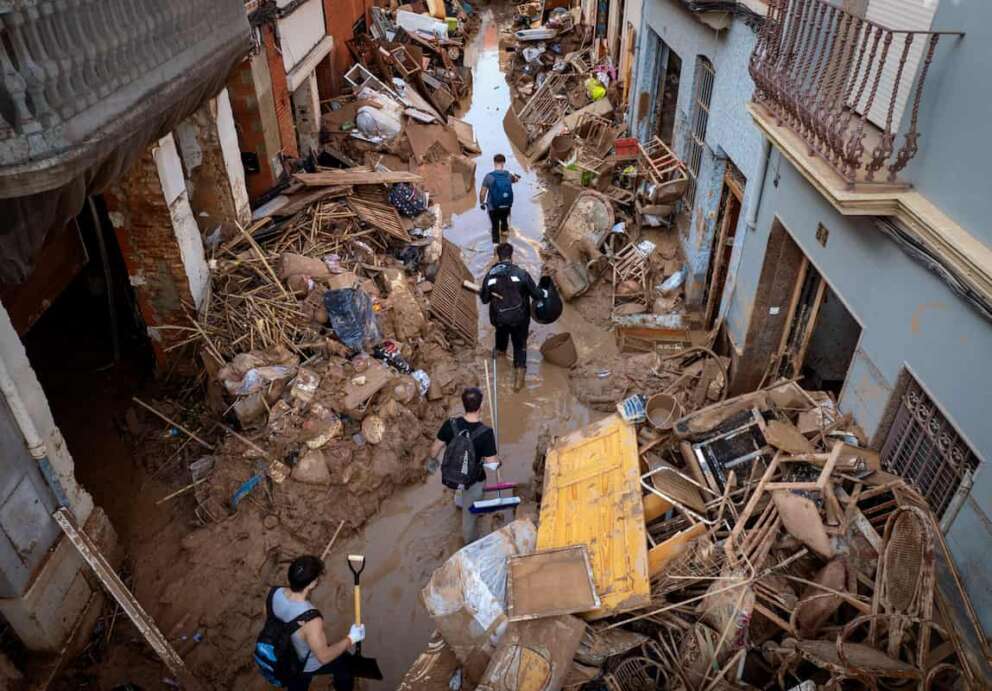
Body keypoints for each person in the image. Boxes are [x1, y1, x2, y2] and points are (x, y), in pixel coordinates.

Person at [271, 555, 365, 691]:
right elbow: (324, 657)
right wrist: (351, 638)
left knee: (297, 681)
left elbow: (274, 621)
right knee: (344, 662)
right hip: (304, 661)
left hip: (285, 654)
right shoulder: (311, 618)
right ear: (312, 583)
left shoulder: (273, 593)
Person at [429, 387, 499, 544]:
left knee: (460, 486)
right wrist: (498, 462)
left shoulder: (450, 423)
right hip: (474, 479)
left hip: (453, 474)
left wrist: (431, 463)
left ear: (463, 404)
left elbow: (434, 450)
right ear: (481, 406)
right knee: (469, 519)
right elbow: (491, 465)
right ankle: (469, 544)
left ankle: (459, 501)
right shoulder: (486, 433)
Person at [480, 243, 541, 391]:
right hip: (520, 319)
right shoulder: (521, 273)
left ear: (498, 256)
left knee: (501, 334)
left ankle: (499, 351)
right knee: (520, 345)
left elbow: (484, 299)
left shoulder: (490, 275)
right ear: (511, 255)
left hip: (499, 318)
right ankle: (519, 378)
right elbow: (536, 295)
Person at [480, 153, 520, 244]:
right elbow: (516, 180)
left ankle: (496, 249)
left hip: (493, 207)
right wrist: (513, 175)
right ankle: (505, 240)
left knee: (495, 227)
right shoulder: (508, 175)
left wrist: (482, 203)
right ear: (504, 163)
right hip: (506, 206)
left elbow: (482, 193)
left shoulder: (488, 176)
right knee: (504, 221)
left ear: (494, 163)